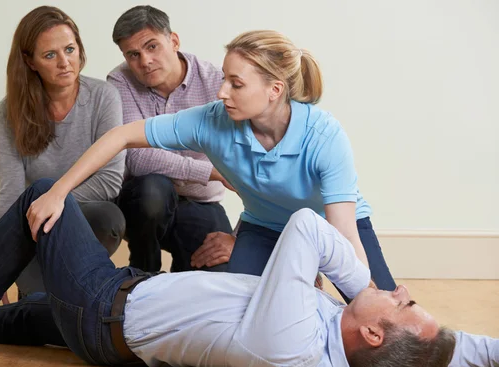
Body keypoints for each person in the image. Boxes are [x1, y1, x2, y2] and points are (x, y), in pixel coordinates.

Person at [0, 179, 495, 367]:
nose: (399, 292)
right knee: (23, 317)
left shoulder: (290, 347)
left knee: (45, 195)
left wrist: (360, 284)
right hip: (123, 314)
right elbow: (442, 347)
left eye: (401, 304)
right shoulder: (359, 345)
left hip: (104, 308)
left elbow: (308, 227)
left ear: (370, 331)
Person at [25, 30, 396, 299]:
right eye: (223, 79)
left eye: (236, 83)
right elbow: (120, 136)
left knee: (379, 308)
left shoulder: (323, 134)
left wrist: (369, 300)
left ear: (275, 90)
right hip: (264, 228)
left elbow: (344, 231)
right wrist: (58, 192)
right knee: (239, 307)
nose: (221, 92)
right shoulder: (212, 120)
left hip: (333, 227)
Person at [0, 6, 126, 298]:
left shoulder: (104, 96)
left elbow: (110, 180)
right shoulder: (8, 111)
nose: (65, 62)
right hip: (32, 224)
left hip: (84, 214)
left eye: (70, 49)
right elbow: (10, 189)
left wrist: (53, 201)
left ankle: (73, 287)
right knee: (38, 310)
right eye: (50, 55)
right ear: (30, 62)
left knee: (108, 218)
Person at [106, 6, 233, 273]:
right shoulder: (120, 81)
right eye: (133, 54)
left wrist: (242, 237)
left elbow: (253, 161)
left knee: (219, 269)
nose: (145, 61)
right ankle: (143, 273)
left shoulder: (216, 83)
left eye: (152, 46)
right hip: (143, 203)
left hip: (199, 202)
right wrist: (210, 171)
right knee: (153, 189)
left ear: (174, 41)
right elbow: (137, 157)